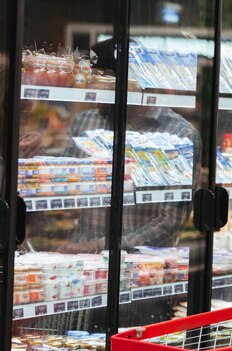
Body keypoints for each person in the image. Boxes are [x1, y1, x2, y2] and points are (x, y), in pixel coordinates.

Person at [61, 39, 200, 253]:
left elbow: (171, 220)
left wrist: (100, 247)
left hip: (144, 268)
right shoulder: (86, 123)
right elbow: (64, 186)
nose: (94, 92)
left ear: (132, 83)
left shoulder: (179, 135)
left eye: (102, 84)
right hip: (80, 264)